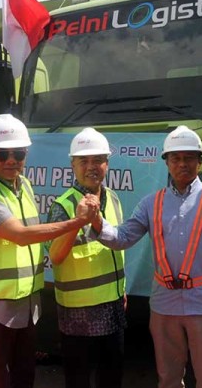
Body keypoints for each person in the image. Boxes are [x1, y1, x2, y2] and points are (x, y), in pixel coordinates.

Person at [89, 125, 202, 388]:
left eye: (189, 158)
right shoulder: (151, 203)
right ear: (166, 162)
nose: (182, 164)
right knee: (167, 378)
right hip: (165, 305)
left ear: (200, 161)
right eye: (175, 158)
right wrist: (96, 221)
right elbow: (122, 238)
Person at [0, 114, 100, 388]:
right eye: (3, 154)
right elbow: (21, 236)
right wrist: (78, 221)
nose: (12, 160)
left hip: (25, 302)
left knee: (24, 376)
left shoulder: (23, 185)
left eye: (18, 152)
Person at [47, 127, 127, 388]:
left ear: (107, 163)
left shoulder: (113, 198)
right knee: (79, 380)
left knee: (111, 377)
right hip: (77, 314)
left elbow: (115, 247)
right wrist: (78, 221)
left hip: (113, 307)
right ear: (73, 165)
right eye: (84, 161)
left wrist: (120, 290)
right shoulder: (63, 206)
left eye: (97, 160)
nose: (91, 167)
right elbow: (56, 256)